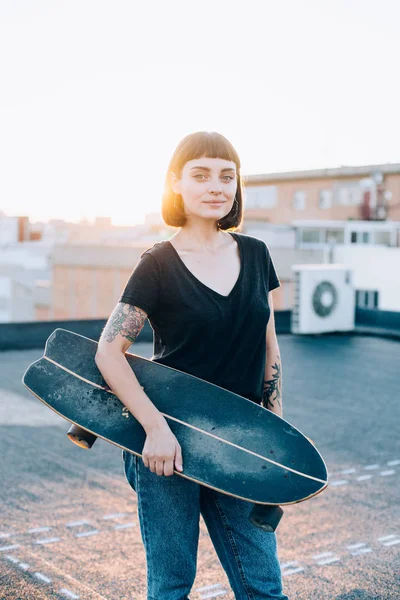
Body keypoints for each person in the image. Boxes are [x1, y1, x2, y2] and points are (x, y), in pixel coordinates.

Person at [95, 131, 288, 600]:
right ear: (176, 184)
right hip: (168, 447)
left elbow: (269, 347)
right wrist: (156, 429)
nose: (216, 187)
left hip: (239, 440)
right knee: (172, 586)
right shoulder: (157, 263)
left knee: (263, 587)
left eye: (227, 176)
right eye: (201, 175)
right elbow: (108, 352)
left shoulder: (257, 254)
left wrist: (276, 432)